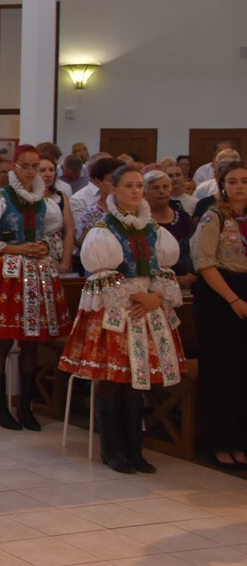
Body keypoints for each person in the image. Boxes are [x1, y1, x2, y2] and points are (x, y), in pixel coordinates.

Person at [58, 166, 186, 474]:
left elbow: (164, 270)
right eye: (128, 185)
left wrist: (156, 296)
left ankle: (134, 450)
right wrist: (138, 296)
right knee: (112, 381)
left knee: (136, 382)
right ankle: (112, 449)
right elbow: (100, 275)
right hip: (116, 310)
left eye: (139, 185)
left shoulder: (153, 228)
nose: (136, 190)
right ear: (113, 189)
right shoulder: (104, 229)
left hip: (147, 309)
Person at [0, 145, 72, 431]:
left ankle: (25, 407)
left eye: (37, 167)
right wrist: (15, 248)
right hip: (7, 274)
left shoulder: (45, 202)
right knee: (3, 340)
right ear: (14, 166)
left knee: (31, 341)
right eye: (26, 166)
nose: (32, 172)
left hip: (36, 274)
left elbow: (51, 235)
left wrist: (43, 246)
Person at [190, 160, 247, 469]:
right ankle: (220, 441)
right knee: (222, 371)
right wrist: (234, 300)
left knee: (243, 372)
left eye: (245, 181)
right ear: (223, 186)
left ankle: (241, 440)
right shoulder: (215, 216)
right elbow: (205, 263)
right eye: (233, 181)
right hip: (220, 296)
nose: (239, 186)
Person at [144, 169, 196, 286]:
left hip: (185, 282)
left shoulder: (183, 217)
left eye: (165, 187)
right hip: (151, 283)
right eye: (155, 188)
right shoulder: (139, 221)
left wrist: (192, 275)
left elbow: (196, 247)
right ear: (145, 192)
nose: (161, 191)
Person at [41, 155, 76, 274]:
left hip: (60, 249)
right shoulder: (28, 197)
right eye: (42, 170)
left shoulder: (61, 196)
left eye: (51, 170)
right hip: (40, 251)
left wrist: (65, 262)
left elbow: (69, 230)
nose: (48, 174)